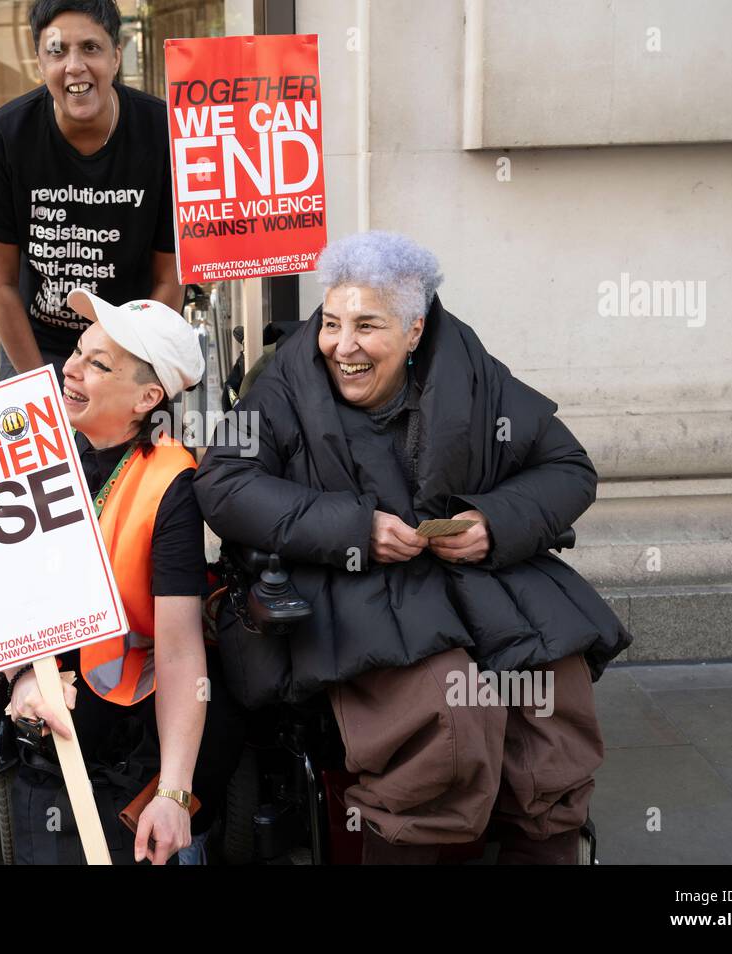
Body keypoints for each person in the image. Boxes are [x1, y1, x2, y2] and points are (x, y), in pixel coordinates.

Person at [193, 232, 632, 864]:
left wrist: (493, 522)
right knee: (448, 712)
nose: (342, 346)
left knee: (552, 692)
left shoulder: (471, 372)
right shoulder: (288, 382)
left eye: (367, 327)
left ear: (415, 329)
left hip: (474, 578)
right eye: (332, 323)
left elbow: (567, 466)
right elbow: (225, 483)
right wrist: (354, 529)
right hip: (349, 581)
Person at [1, 290, 242, 865]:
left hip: (125, 740)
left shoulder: (170, 485)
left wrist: (173, 794)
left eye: (98, 364)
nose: (71, 368)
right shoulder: (30, 453)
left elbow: (182, 654)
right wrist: (23, 677)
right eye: (79, 352)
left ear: (148, 397)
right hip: (51, 729)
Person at [0, 0, 183, 382]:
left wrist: (126, 370)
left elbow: (169, 279)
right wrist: (39, 388)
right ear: (39, 63)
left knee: (137, 443)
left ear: (116, 57)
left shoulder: (163, 133)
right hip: (35, 343)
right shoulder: (2, 139)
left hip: (133, 343)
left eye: (90, 48)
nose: (74, 66)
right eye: (57, 51)